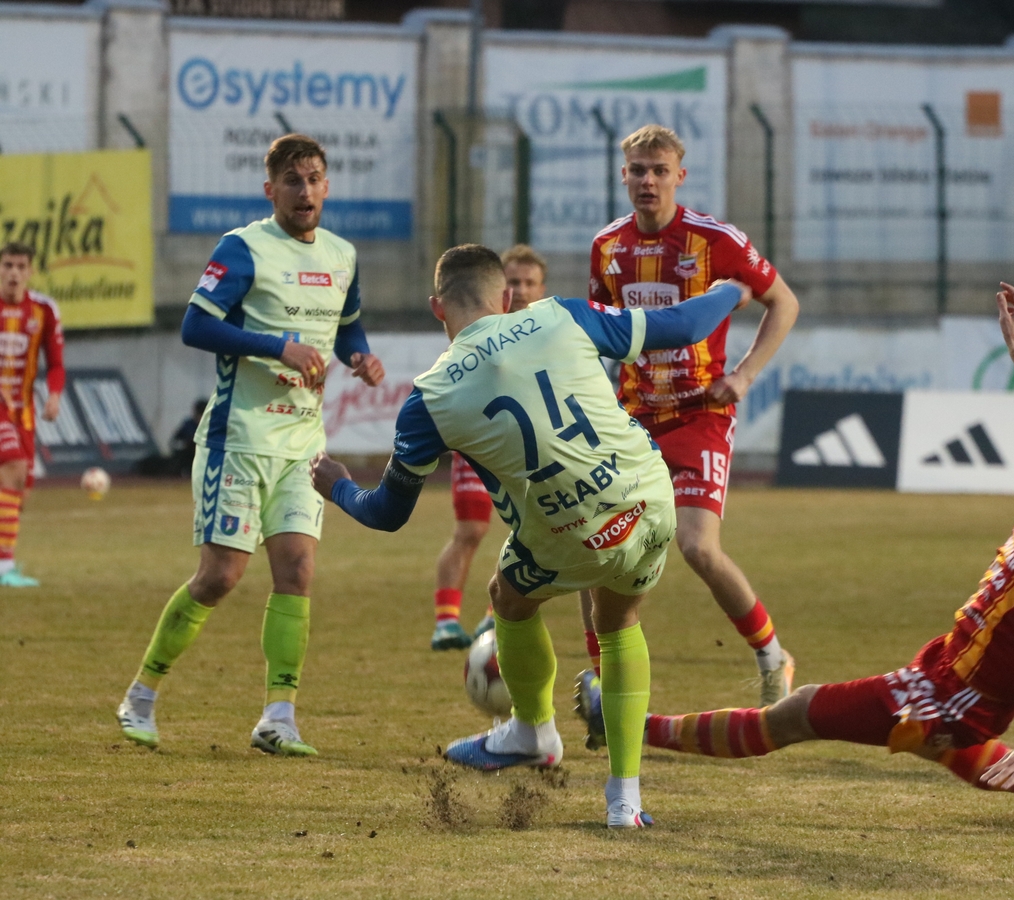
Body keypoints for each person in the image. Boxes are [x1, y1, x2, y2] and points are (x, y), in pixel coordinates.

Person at [580, 285, 1014, 819]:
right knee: (943, 744)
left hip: (964, 690)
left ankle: (629, 723)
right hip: (953, 666)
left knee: (797, 713)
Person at [309, 244, 751, 828]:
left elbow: (387, 513)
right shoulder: (561, 314)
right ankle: (624, 802)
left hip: (566, 534)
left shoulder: (429, 398)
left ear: (437, 307)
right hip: (648, 504)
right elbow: (686, 325)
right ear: (508, 297)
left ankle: (533, 732)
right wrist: (731, 289)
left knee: (508, 596)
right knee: (618, 623)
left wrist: (339, 486)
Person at [116, 134, 386, 756]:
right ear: (270, 190)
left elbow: (347, 327)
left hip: (303, 446)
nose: (304, 190)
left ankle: (278, 717)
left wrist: (361, 357)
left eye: (314, 178)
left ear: (327, 186)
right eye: (292, 180)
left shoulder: (343, 256)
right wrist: (276, 346)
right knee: (220, 577)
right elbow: (195, 325)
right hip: (238, 439)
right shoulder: (242, 248)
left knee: (297, 571)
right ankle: (141, 696)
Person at [583, 123, 800, 708]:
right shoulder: (608, 246)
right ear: (623, 175)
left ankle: (771, 655)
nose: (648, 181)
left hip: (700, 415)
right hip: (633, 418)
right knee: (595, 544)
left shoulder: (715, 240)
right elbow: (602, 330)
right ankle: (601, 680)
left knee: (699, 548)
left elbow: (784, 302)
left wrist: (744, 375)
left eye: (660, 171)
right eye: (638, 170)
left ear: (679, 175)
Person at [431, 244, 551, 650]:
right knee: (470, 529)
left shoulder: (549, 329)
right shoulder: (476, 326)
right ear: (501, 288)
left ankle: (491, 617)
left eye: (530, 282)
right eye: (514, 281)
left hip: (530, 450)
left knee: (532, 532)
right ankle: (446, 622)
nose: (522, 290)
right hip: (479, 443)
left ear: (542, 288)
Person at [0, 241, 65, 587]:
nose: (14, 273)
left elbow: (55, 363)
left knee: (19, 492)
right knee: (13, 468)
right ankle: (4, 567)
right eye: (8, 265)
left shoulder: (43, 310)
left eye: (20, 266)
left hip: (22, 412)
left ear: (30, 271)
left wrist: (53, 395)